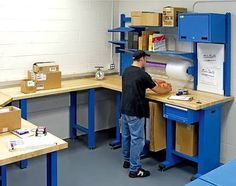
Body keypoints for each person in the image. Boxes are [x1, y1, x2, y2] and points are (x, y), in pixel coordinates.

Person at [121, 50, 172, 178]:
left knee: (126, 136)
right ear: (142, 59)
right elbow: (158, 91)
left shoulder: (127, 70)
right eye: (145, 59)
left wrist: (154, 79)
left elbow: (142, 79)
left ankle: (127, 160)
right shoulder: (142, 74)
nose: (146, 61)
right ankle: (135, 169)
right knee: (137, 140)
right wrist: (168, 89)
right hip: (136, 111)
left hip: (124, 109)